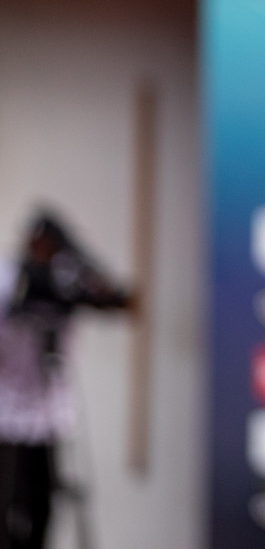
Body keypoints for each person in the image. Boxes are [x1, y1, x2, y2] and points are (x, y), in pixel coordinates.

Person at [0, 208, 133, 549]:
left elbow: (117, 298)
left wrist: (79, 262)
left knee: (43, 504)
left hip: (49, 414)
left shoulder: (66, 276)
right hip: (7, 413)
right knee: (6, 504)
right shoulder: (9, 276)